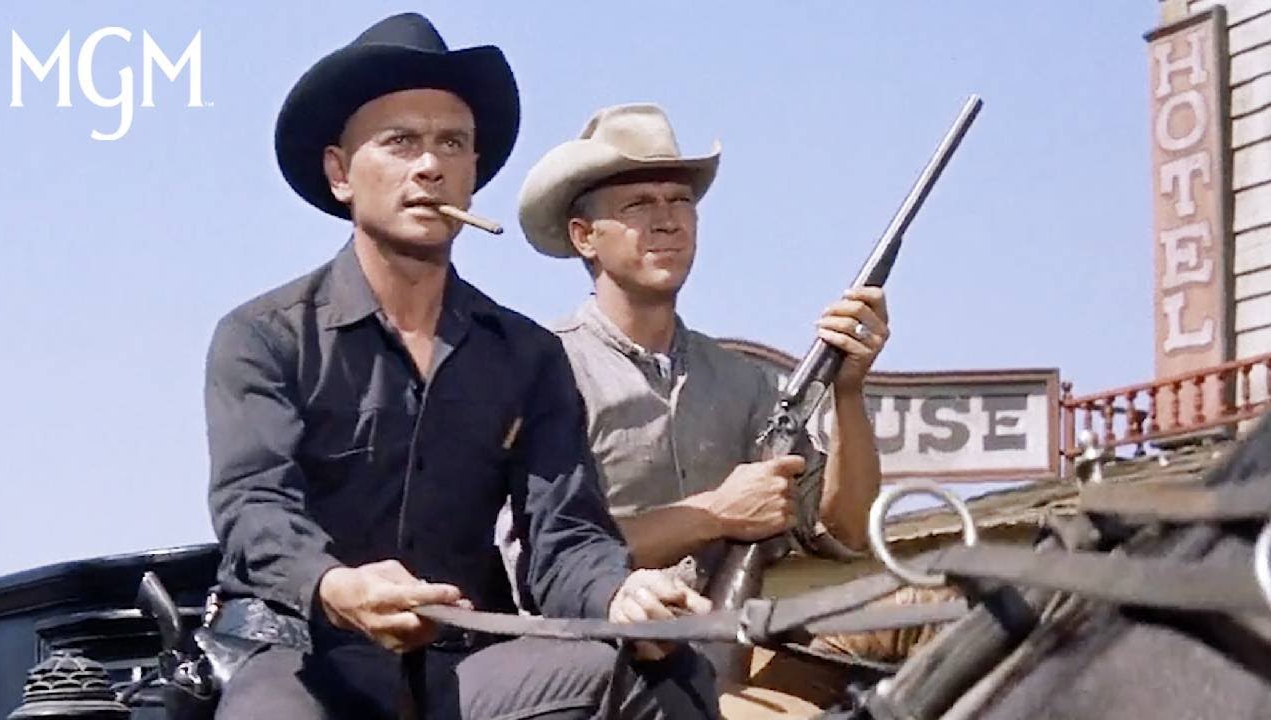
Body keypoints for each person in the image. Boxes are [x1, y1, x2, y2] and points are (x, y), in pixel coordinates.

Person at [204, 17, 717, 719]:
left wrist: (619, 594)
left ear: (473, 173)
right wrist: (336, 586)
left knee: (664, 673)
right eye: (400, 142)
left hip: (465, 665)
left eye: (452, 143)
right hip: (302, 654)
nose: (429, 166)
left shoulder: (525, 355)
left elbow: (564, 538)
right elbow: (254, 509)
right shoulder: (265, 337)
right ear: (340, 173)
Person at [515, 104, 889, 581]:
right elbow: (541, 557)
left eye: (680, 201)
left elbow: (847, 534)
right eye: (638, 205)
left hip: (736, 626)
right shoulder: (542, 368)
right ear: (584, 236)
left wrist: (848, 391)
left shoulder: (744, 383)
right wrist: (715, 515)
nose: (667, 221)